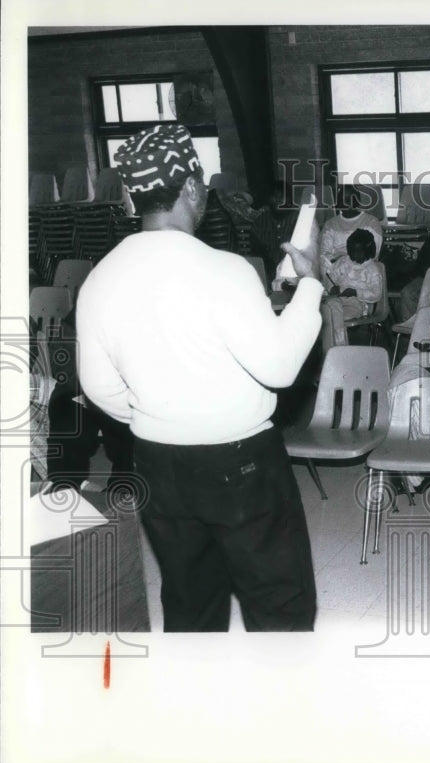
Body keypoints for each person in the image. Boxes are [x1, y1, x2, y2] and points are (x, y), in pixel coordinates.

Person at [76, 124, 322, 632]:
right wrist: (312, 284)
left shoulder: (99, 278)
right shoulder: (224, 269)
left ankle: (195, 703)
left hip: (156, 462)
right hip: (241, 463)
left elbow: (98, 387)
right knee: (279, 603)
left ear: (133, 193)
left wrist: (161, 413)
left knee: (191, 601)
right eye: (203, 183)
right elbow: (280, 367)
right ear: (190, 187)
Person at [319, 227, 384, 352]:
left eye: (359, 252)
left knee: (333, 318)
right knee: (332, 307)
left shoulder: (372, 269)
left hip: (357, 303)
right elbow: (330, 277)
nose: (355, 255)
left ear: (368, 250)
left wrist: (356, 292)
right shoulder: (344, 262)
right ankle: (339, 349)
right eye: (352, 251)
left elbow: (376, 294)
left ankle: (337, 349)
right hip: (337, 300)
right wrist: (332, 287)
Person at [318, 183, 384, 265]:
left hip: (364, 270)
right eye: (341, 200)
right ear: (337, 203)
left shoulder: (371, 222)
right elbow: (324, 256)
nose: (345, 204)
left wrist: (346, 261)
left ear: (358, 201)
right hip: (337, 272)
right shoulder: (330, 225)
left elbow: (373, 255)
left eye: (349, 200)